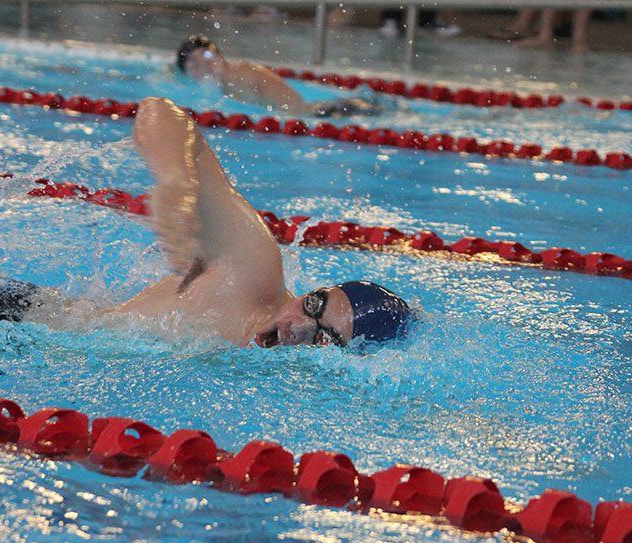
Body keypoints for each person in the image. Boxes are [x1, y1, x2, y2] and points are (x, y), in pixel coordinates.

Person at [92, 96, 412, 348]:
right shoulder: (250, 273)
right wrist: (178, 181)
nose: (296, 327)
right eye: (313, 305)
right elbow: (160, 110)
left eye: (324, 338)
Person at [175, 35, 382, 118]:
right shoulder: (223, 82)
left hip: (327, 113)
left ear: (220, 56)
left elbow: (294, 106)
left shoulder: (238, 74)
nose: (204, 64)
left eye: (206, 55)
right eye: (194, 63)